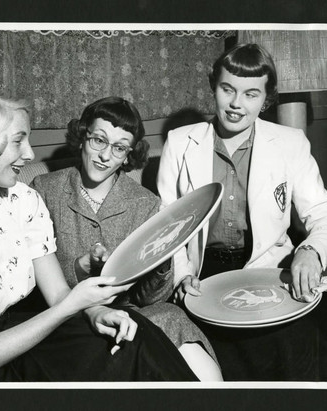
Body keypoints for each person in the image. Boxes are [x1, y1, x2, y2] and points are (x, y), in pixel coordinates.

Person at [0, 87, 200, 382]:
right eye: (18, 141)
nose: (30, 153)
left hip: (18, 328)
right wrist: (73, 305)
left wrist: (96, 313)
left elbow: (59, 294)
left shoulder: (22, 199)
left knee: (138, 337)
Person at [156, 43, 327, 381]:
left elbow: (324, 213)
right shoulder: (179, 142)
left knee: (315, 336)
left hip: (269, 271)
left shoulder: (291, 143)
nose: (236, 104)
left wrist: (311, 250)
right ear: (213, 86)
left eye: (250, 94)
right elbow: (166, 225)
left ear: (266, 98)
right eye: (227, 89)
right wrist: (182, 274)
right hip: (204, 276)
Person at [31, 96, 223, 381]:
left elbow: (151, 298)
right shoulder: (45, 190)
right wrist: (80, 267)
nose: (106, 156)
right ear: (83, 137)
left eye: (119, 147)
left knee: (169, 316)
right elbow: (33, 278)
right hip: (64, 318)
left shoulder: (146, 203)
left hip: (129, 314)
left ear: (128, 154)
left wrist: (161, 256)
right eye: (99, 140)